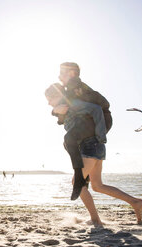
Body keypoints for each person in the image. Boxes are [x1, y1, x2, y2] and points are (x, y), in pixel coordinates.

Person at [47, 62, 113, 200]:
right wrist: (55, 111)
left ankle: (79, 176)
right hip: (94, 123)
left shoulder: (74, 87)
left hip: (98, 123)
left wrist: (101, 136)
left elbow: (96, 109)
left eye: (62, 73)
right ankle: (83, 177)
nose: (59, 76)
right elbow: (64, 113)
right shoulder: (70, 89)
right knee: (68, 142)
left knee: (68, 139)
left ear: (72, 74)